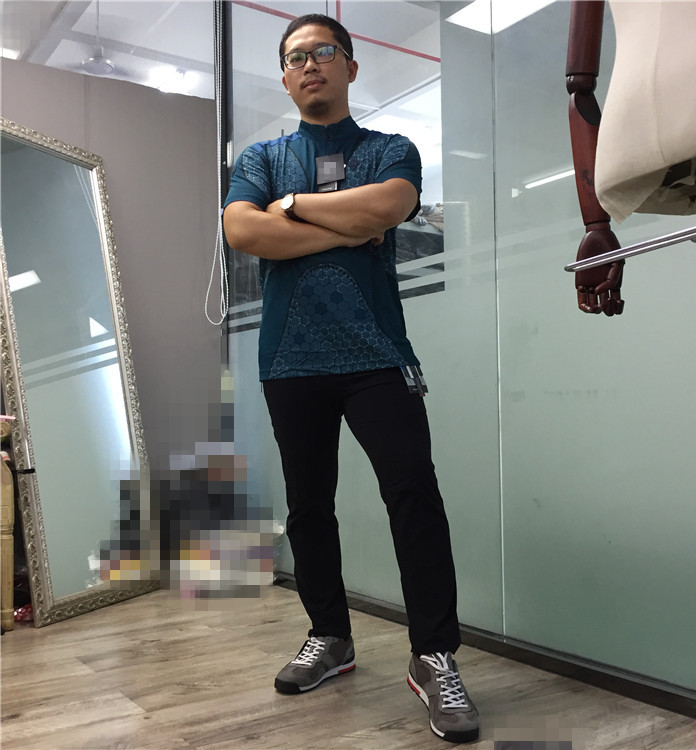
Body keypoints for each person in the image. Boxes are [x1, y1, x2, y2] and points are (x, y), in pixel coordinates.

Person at [222, 13, 479, 744]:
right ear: (284, 78)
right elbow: (242, 230)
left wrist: (295, 208)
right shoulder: (262, 157)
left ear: (350, 67)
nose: (309, 64)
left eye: (323, 51)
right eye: (295, 57)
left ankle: (434, 656)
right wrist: (347, 225)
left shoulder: (390, 149)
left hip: (377, 356)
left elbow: (390, 206)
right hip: (289, 360)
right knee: (309, 508)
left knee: (414, 497)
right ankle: (330, 636)